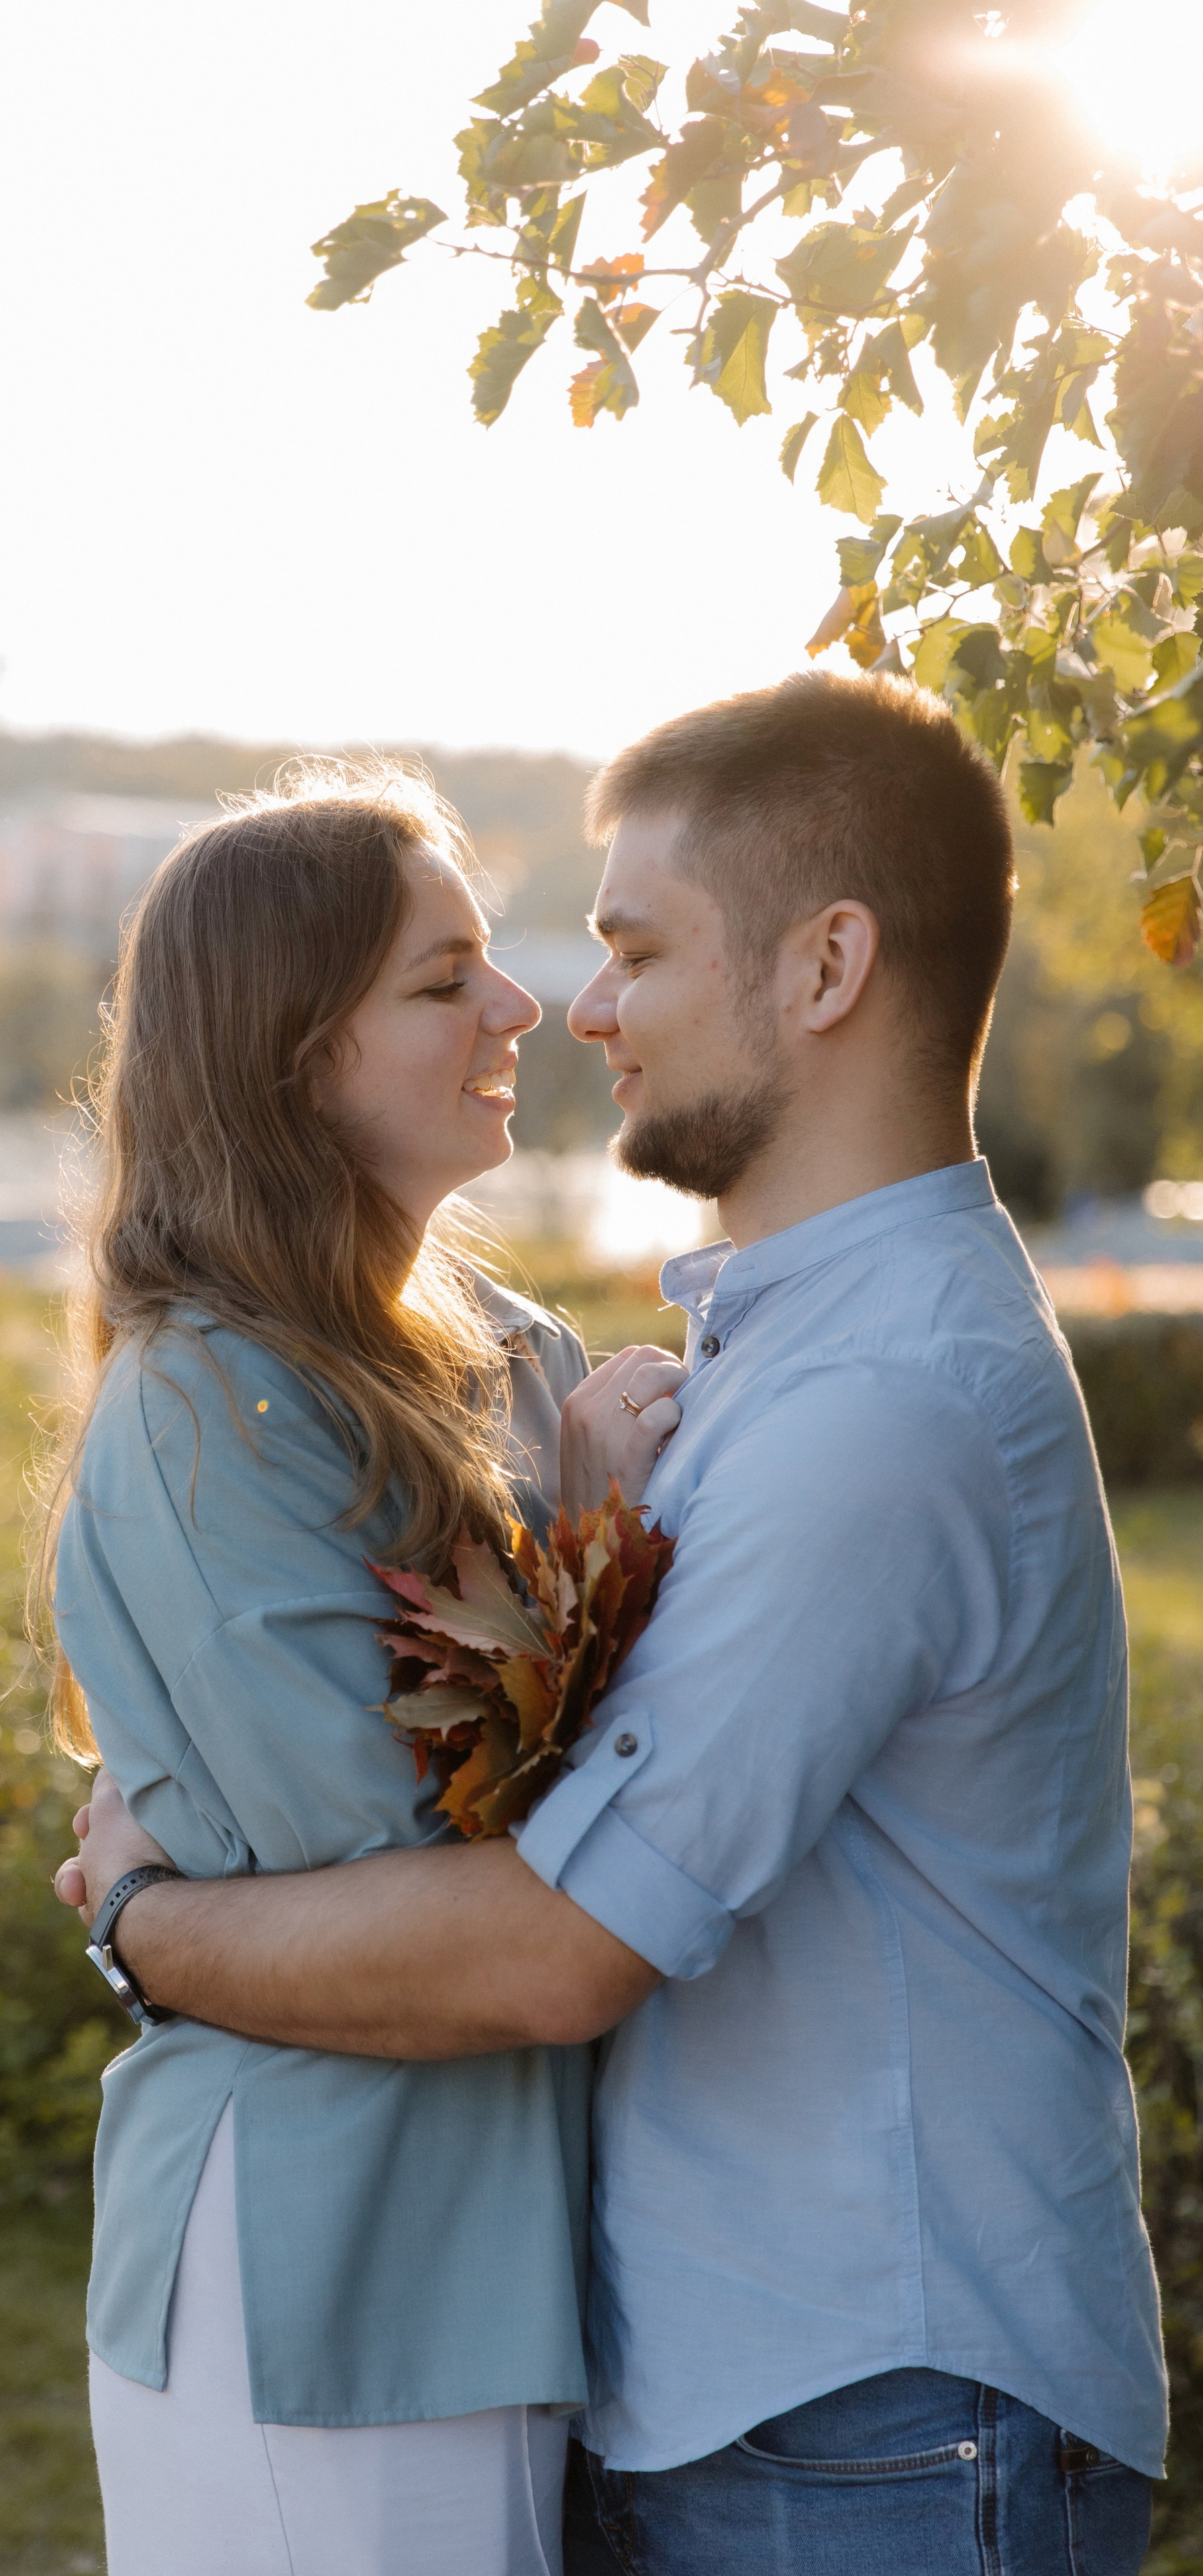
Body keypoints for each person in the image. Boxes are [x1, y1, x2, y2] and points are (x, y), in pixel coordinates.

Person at [61, 673, 1169, 2575]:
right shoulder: (770, 1356)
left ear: (828, 968)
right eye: (464, 975)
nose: (570, 1009)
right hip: (762, 2388)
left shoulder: (875, 1404)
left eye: (635, 951)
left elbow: (552, 1945)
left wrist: (141, 1922)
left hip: (881, 2406)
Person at [48, 762, 680, 2576]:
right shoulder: (209, 1402)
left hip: (521, 2264)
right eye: (443, 979)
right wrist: (593, 1538)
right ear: (294, 1051)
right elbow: (417, 1888)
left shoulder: (518, 1357)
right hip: (319, 2264)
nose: (520, 1007)